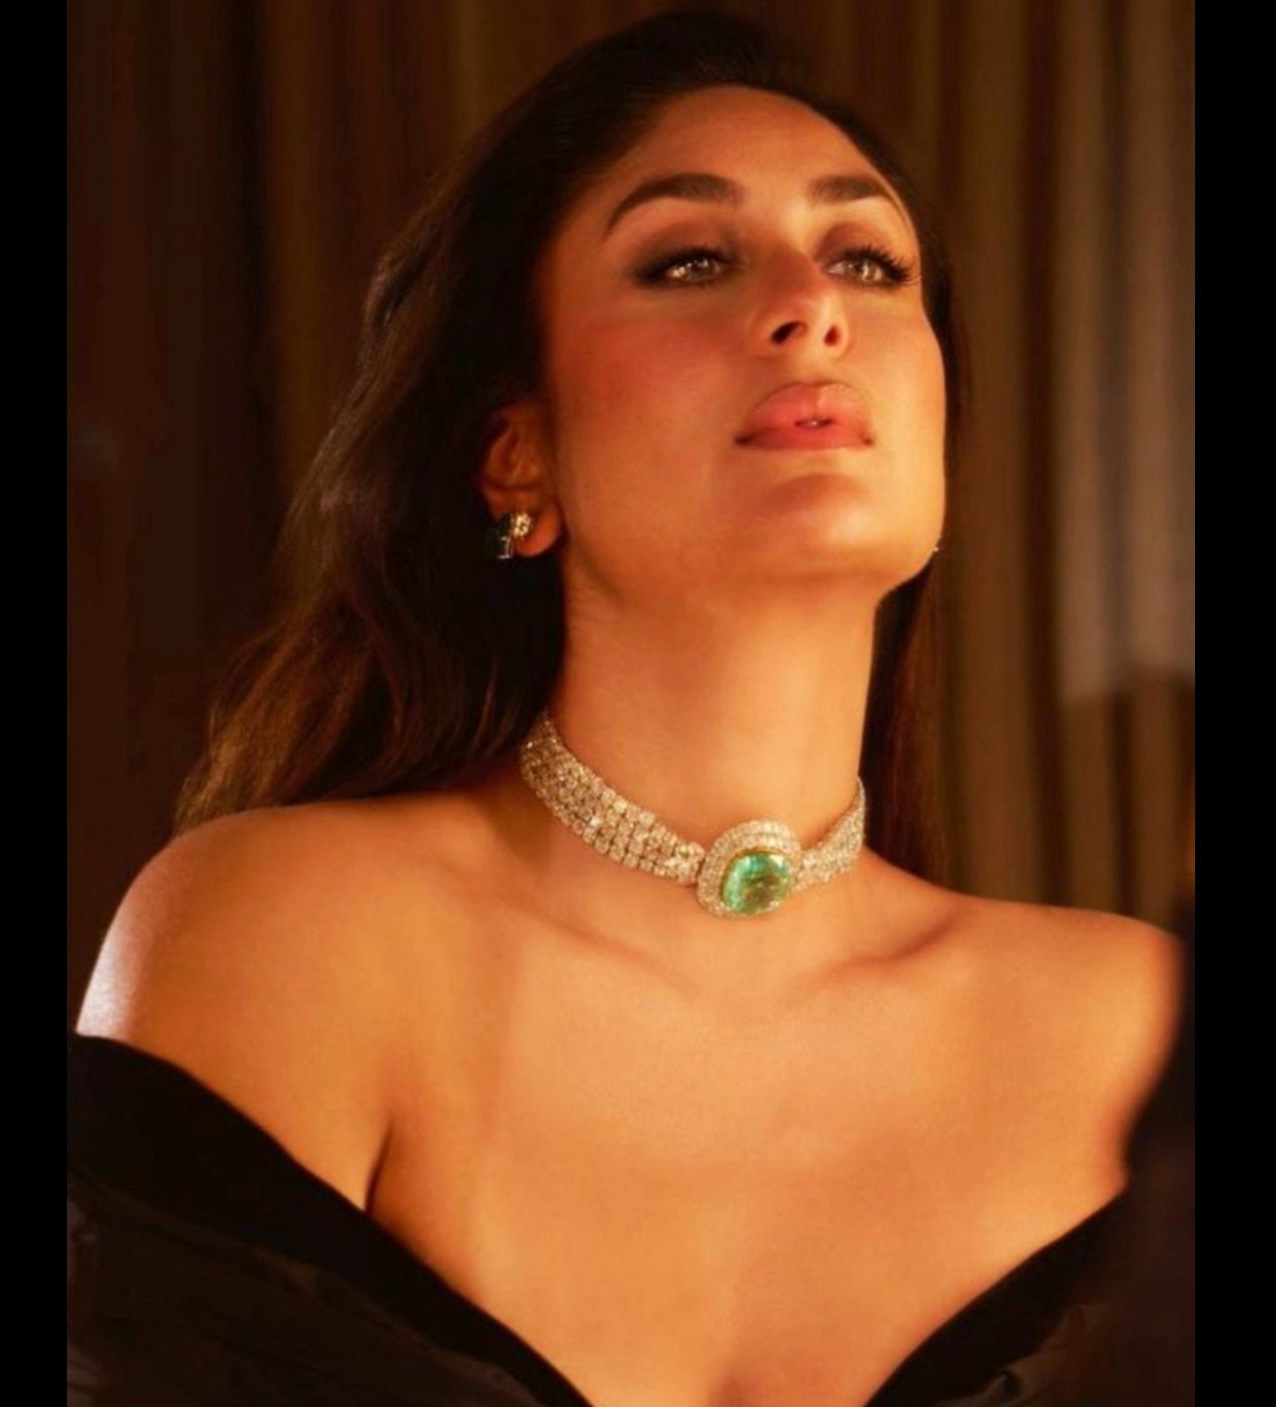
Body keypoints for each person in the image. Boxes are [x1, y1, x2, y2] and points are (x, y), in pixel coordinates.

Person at [68, 7, 1186, 1406]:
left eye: (867, 260)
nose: (813, 306)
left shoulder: (1130, 1028)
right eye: (690, 261)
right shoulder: (288, 939)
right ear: (514, 456)